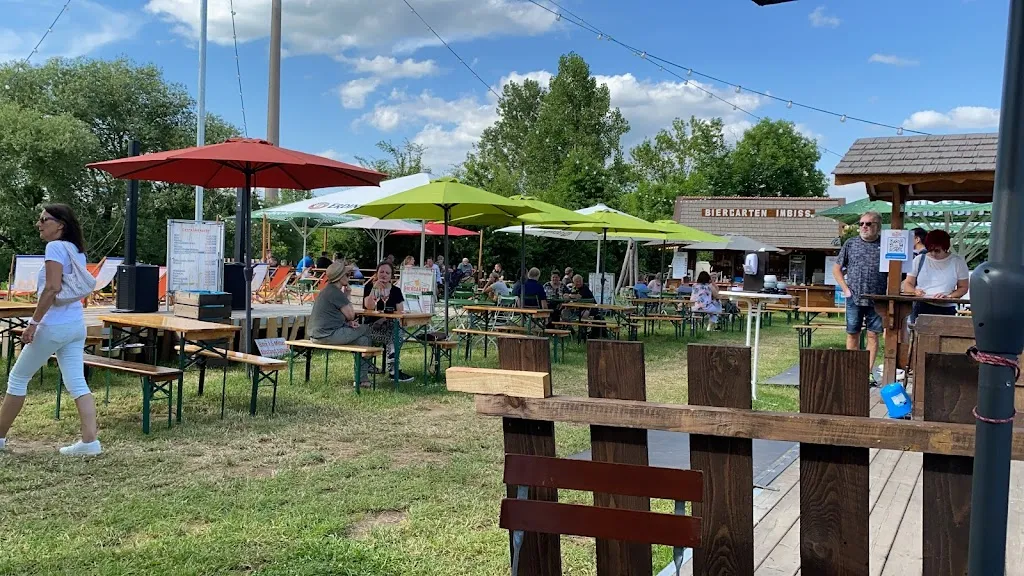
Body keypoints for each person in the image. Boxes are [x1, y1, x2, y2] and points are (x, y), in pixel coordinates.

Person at [0, 205, 100, 456]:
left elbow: (53, 287)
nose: (39, 224)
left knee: (18, 378)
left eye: (44, 219)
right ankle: (90, 442)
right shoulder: (76, 250)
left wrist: (33, 323)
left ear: (60, 225)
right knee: (77, 382)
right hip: (76, 324)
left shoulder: (55, 247)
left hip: (53, 326)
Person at [833, 211, 888, 383]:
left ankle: (867, 373)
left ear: (877, 226)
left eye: (868, 224)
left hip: (878, 300)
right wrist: (846, 289)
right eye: (861, 223)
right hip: (854, 297)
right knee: (852, 333)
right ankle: (852, 371)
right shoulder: (850, 244)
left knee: (873, 335)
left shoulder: (885, 245)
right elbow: (837, 268)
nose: (864, 226)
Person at [308, 263, 376, 386]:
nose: (349, 276)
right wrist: (348, 295)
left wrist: (348, 324)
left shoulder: (328, 290)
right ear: (339, 277)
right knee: (366, 329)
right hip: (327, 335)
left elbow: (339, 316)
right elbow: (351, 315)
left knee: (363, 340)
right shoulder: (336, 292)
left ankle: (363, 379)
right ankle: (369, 362)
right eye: (347, 274)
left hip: (318, 335)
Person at [902, 230, 969, 321]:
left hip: (946, 308)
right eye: (930, 250)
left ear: (945, 247)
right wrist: (915, 291)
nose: (933, 253)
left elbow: (963, 287)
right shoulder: (919, 260)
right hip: (921, 306)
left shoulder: (957, 262)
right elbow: (908, 283)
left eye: (937, 251)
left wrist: (949, 296)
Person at [363, 261, 413, 383]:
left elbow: (399, 312)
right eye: (381, 272)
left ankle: (392, 369)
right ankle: (393, 370)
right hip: (371, 328)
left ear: (391, 275)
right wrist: (375, 289)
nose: (384, 275)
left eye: (387, 273)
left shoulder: (395, 290)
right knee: (395, 332)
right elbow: (368, 307)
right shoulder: (369, 287)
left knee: (396, 331)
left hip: (388, 326)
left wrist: (383, 318)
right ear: (376, 273)